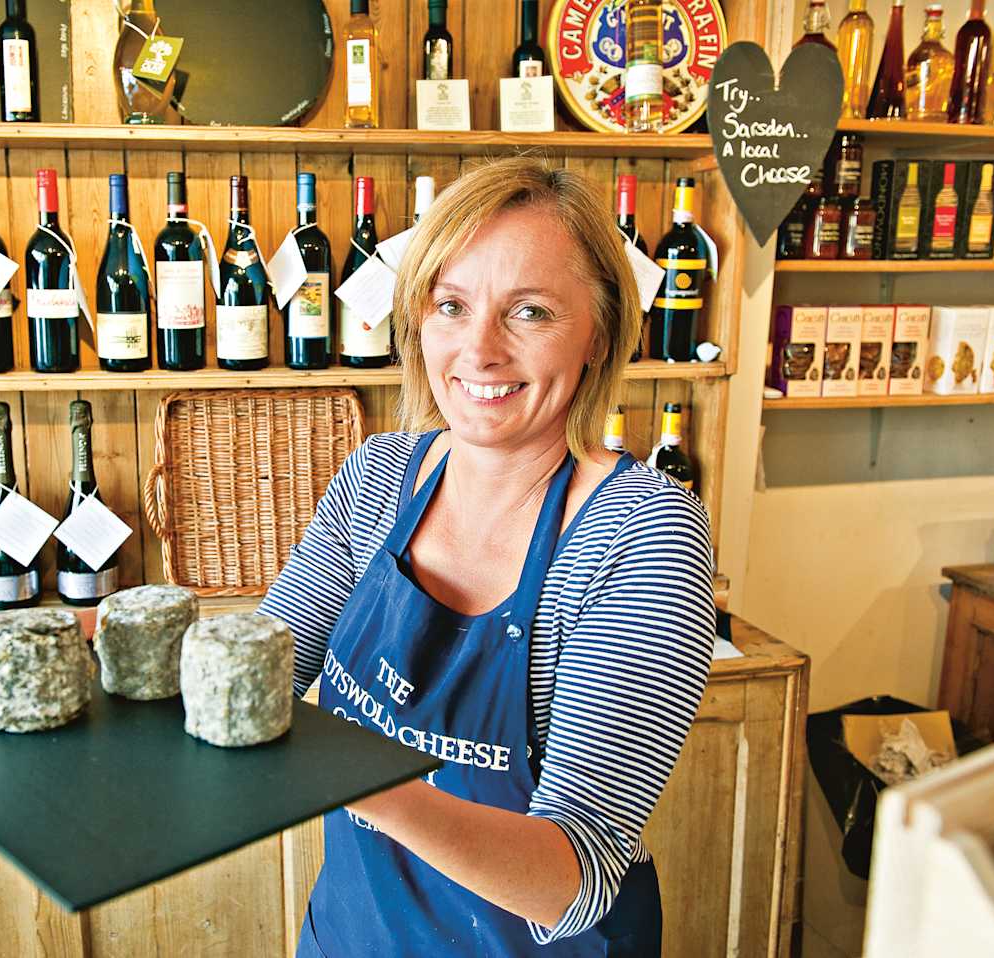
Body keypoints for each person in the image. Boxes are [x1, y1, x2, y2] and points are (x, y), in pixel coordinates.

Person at [261, 156, 717, 956]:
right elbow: (268, 670)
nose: (479, 350)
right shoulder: (377, 479)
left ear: (598, 334)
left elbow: (574, 874)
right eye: (451, 305)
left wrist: (360, 784)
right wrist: (154, 655)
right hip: (351, 938)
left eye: (531, 312)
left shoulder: (640, 536)